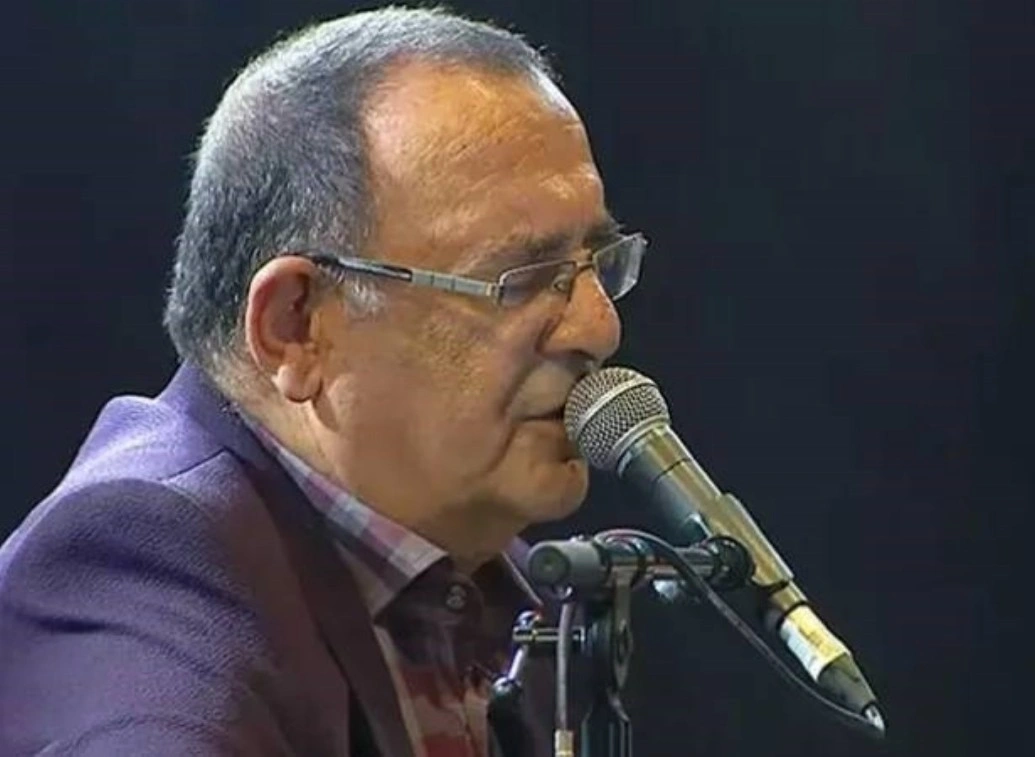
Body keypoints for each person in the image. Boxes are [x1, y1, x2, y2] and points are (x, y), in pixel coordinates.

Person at [0, 6, 646, 756]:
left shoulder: (503, 589)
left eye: (598, 262)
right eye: (522, 277)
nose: (599, 327)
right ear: (296, 325)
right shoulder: (145, 565)